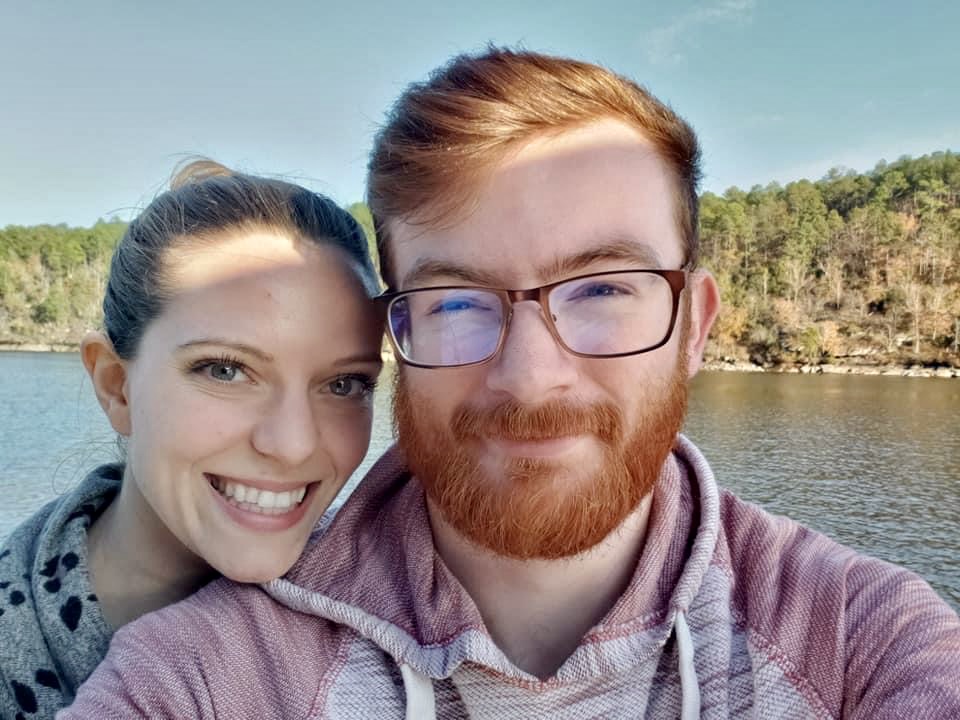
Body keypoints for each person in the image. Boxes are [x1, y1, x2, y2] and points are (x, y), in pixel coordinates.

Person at [61, 49, 960, 719]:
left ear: (694, 326)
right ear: (400, 330)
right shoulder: (207, 674)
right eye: (456, 302)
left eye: (603, 289)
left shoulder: (861, 639)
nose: (530, 377)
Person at [0, 160, 384, 718]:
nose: (294, 444)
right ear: (116, 386)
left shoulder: (399, 611)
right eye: (225, 370)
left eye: (344, 384)